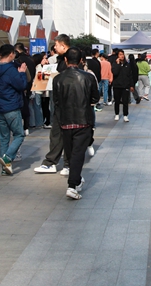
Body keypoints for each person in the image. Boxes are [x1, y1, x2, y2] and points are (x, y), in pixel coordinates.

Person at [53, 48, 100, 200]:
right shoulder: (88, 78)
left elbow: (56, 101)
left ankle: (76, 181)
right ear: (81, 60)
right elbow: (95, 98)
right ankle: (72, 185)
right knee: (78, 154)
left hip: (65, 121)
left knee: (71, 152)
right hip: (83, 120)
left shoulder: (57, 79)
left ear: (65, 60)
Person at [35, 34, 73, 174]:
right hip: (58, 101)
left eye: (56, 45)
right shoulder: (60, 60)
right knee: (56, 132)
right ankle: (51, 162)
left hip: (69, 102)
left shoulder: (71, 59)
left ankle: (68, 164)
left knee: (68, 133)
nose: (54, 48)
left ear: (63, 45)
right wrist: (44, 69)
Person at [0, 44, 28, 176]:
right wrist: (22, 73)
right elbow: (21, 85)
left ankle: (5, 168)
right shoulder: (10, 70)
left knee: (4, 138)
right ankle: (7, 158)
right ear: (11, 54)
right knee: (19, 134)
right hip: (11, 106)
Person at [14, 43, 36, 136]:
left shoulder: (18, 62)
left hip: (19, 87)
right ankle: (26, 126)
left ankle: (19, 127)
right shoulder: (30, 60)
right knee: (26, 107)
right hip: (29, 86)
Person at [111, 49, 133, 121]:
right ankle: (117, 114)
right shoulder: (114, 64)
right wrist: (118, 64)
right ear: (117, 56)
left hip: (125, 86)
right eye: (120, 54)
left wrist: (131, 85)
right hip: (117, 86)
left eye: (122, 54)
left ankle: (125, 115)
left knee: (125, 101)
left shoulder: (127, 64)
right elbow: (115, 73)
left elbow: (130, 75)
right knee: (117, 101)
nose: (122, 56)